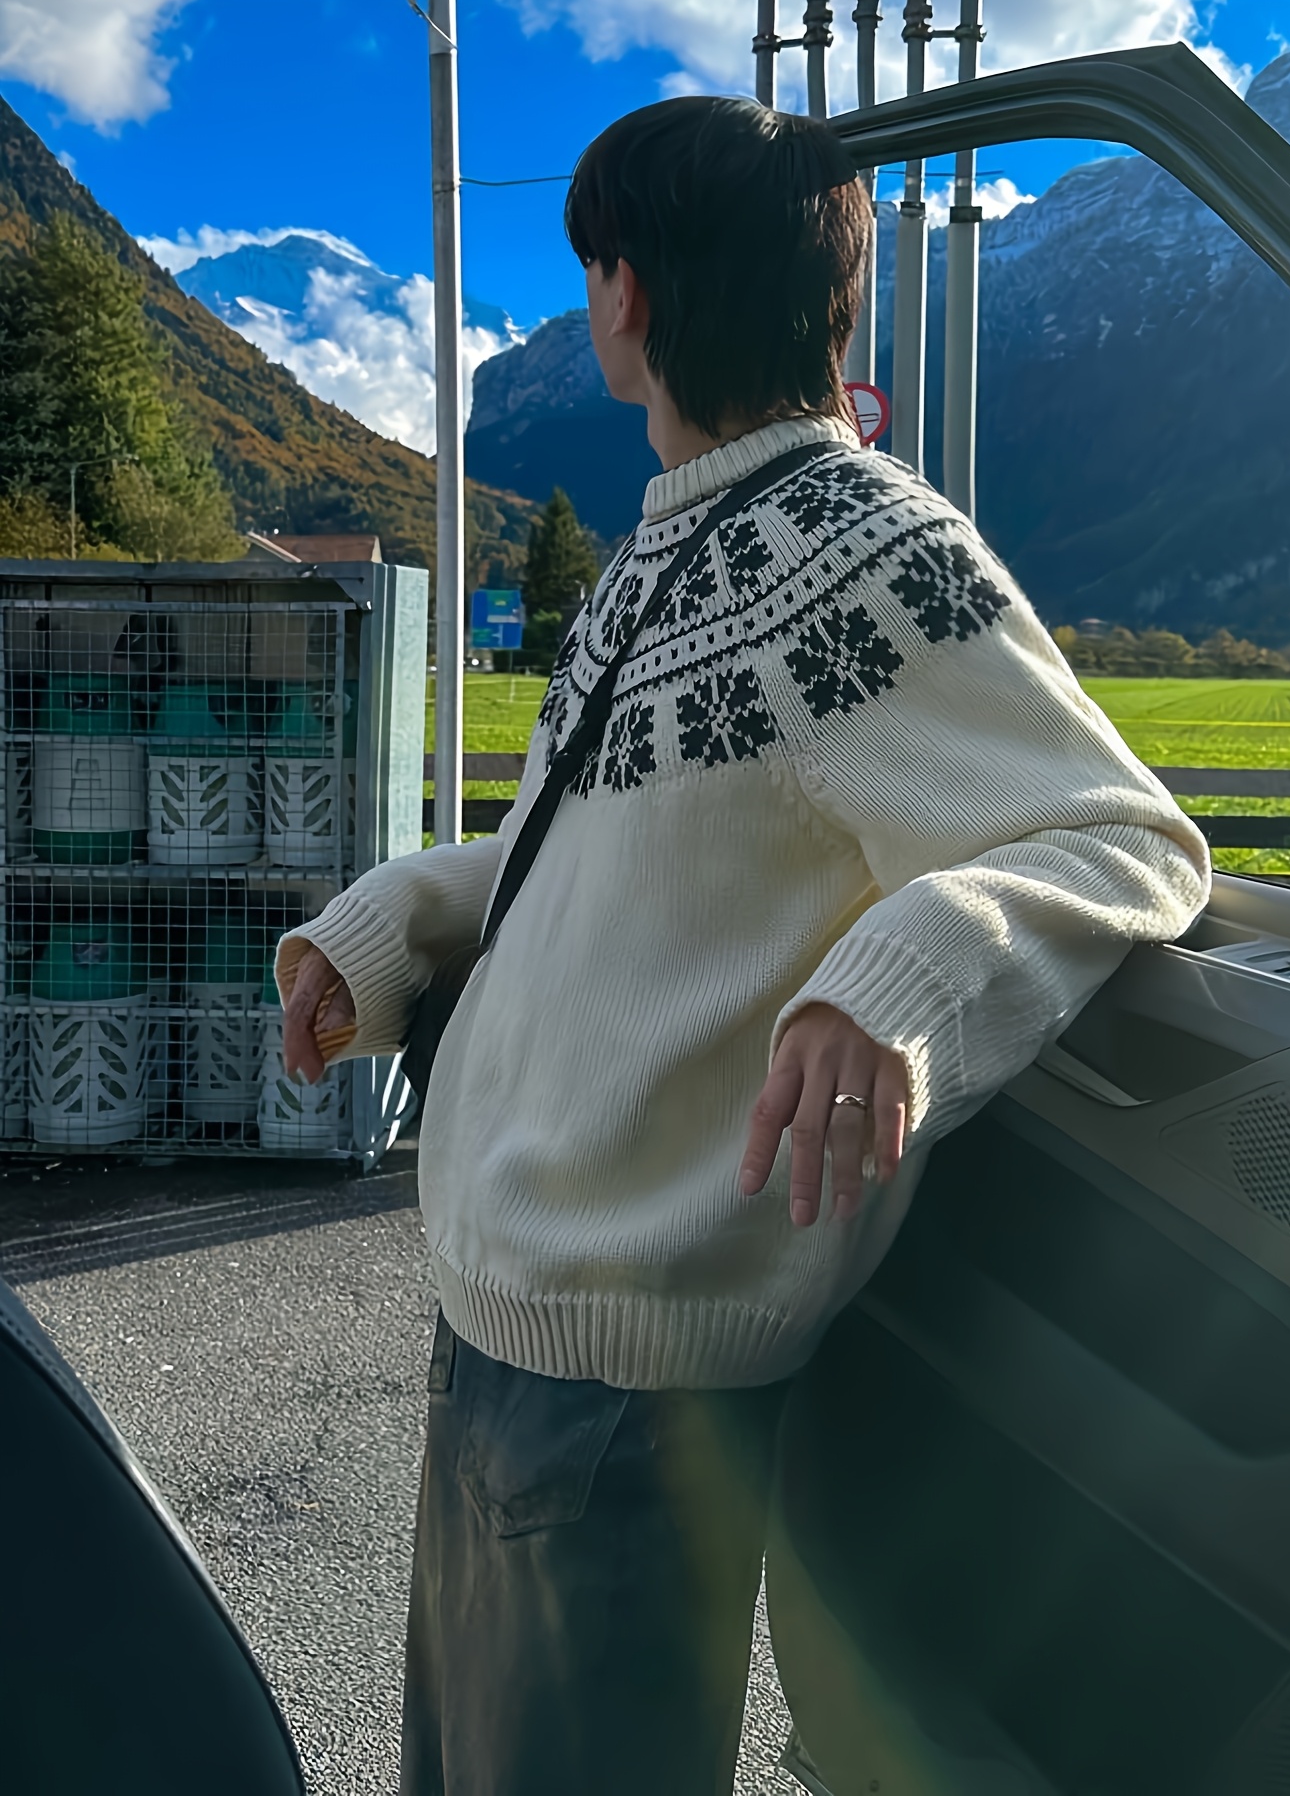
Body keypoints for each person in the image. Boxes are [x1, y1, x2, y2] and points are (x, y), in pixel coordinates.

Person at [277, 96, 1209, 1796]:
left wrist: (894, 981)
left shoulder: (865, 549)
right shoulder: (667, 544)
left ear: (628, 290)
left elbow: (1118, 834)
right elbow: (597, 844)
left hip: (627, 1368)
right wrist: (394, 925)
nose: (588, 298)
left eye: (590, 266)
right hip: (509, 1315)